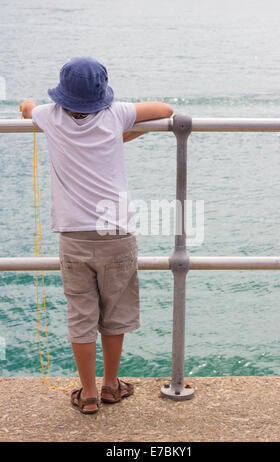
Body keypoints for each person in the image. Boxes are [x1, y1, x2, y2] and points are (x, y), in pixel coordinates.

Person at [20, 56, 173, 414]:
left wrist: (27, 104)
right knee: (114, 310)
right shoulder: (116, 113)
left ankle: (88, 393)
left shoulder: (49, 116)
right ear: (102, 92)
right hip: (116, 232)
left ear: (62, 94)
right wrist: (117, 138)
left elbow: (28, 109)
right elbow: (165, 108)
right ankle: (110, 385)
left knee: (81, 314)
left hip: (73, 236)